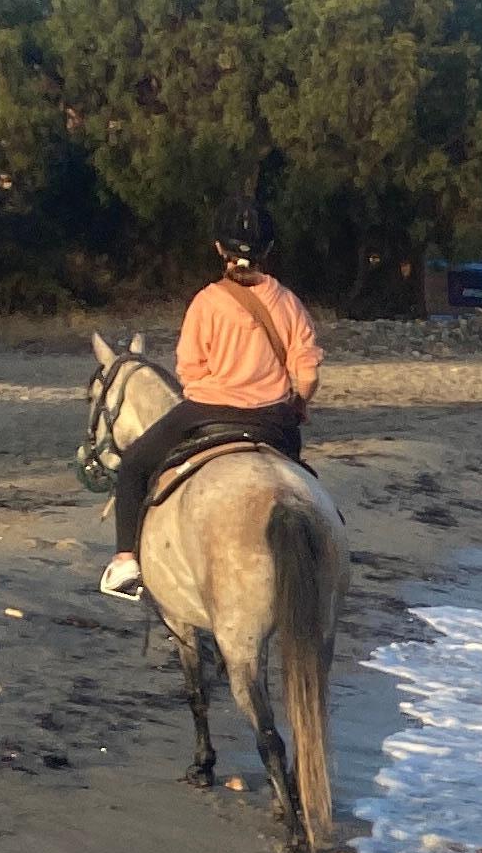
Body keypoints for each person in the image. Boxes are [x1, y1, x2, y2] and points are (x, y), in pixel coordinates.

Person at [100, 204, 322, 598]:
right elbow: (307, 375)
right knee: (301, 481)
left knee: (134, 466)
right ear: (267, 249)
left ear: (219, 248)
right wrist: (296, 405)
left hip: (207, 412)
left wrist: (219, 387)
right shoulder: (289, 303)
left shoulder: (207, 301)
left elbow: (188, 370)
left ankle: (125, 563)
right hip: (273, 420)